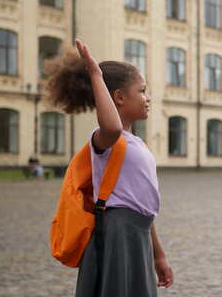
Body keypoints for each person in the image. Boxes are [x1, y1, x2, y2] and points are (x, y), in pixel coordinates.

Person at [45, 40, 173, 297]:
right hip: (116, 234)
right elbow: (112, 127)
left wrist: (158, 256)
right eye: (142, 91)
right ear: (119, 97)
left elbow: (144, 207)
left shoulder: (136, 143)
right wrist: (95, 75)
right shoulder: (105, 139)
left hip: (136, 234)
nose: (148, 98)